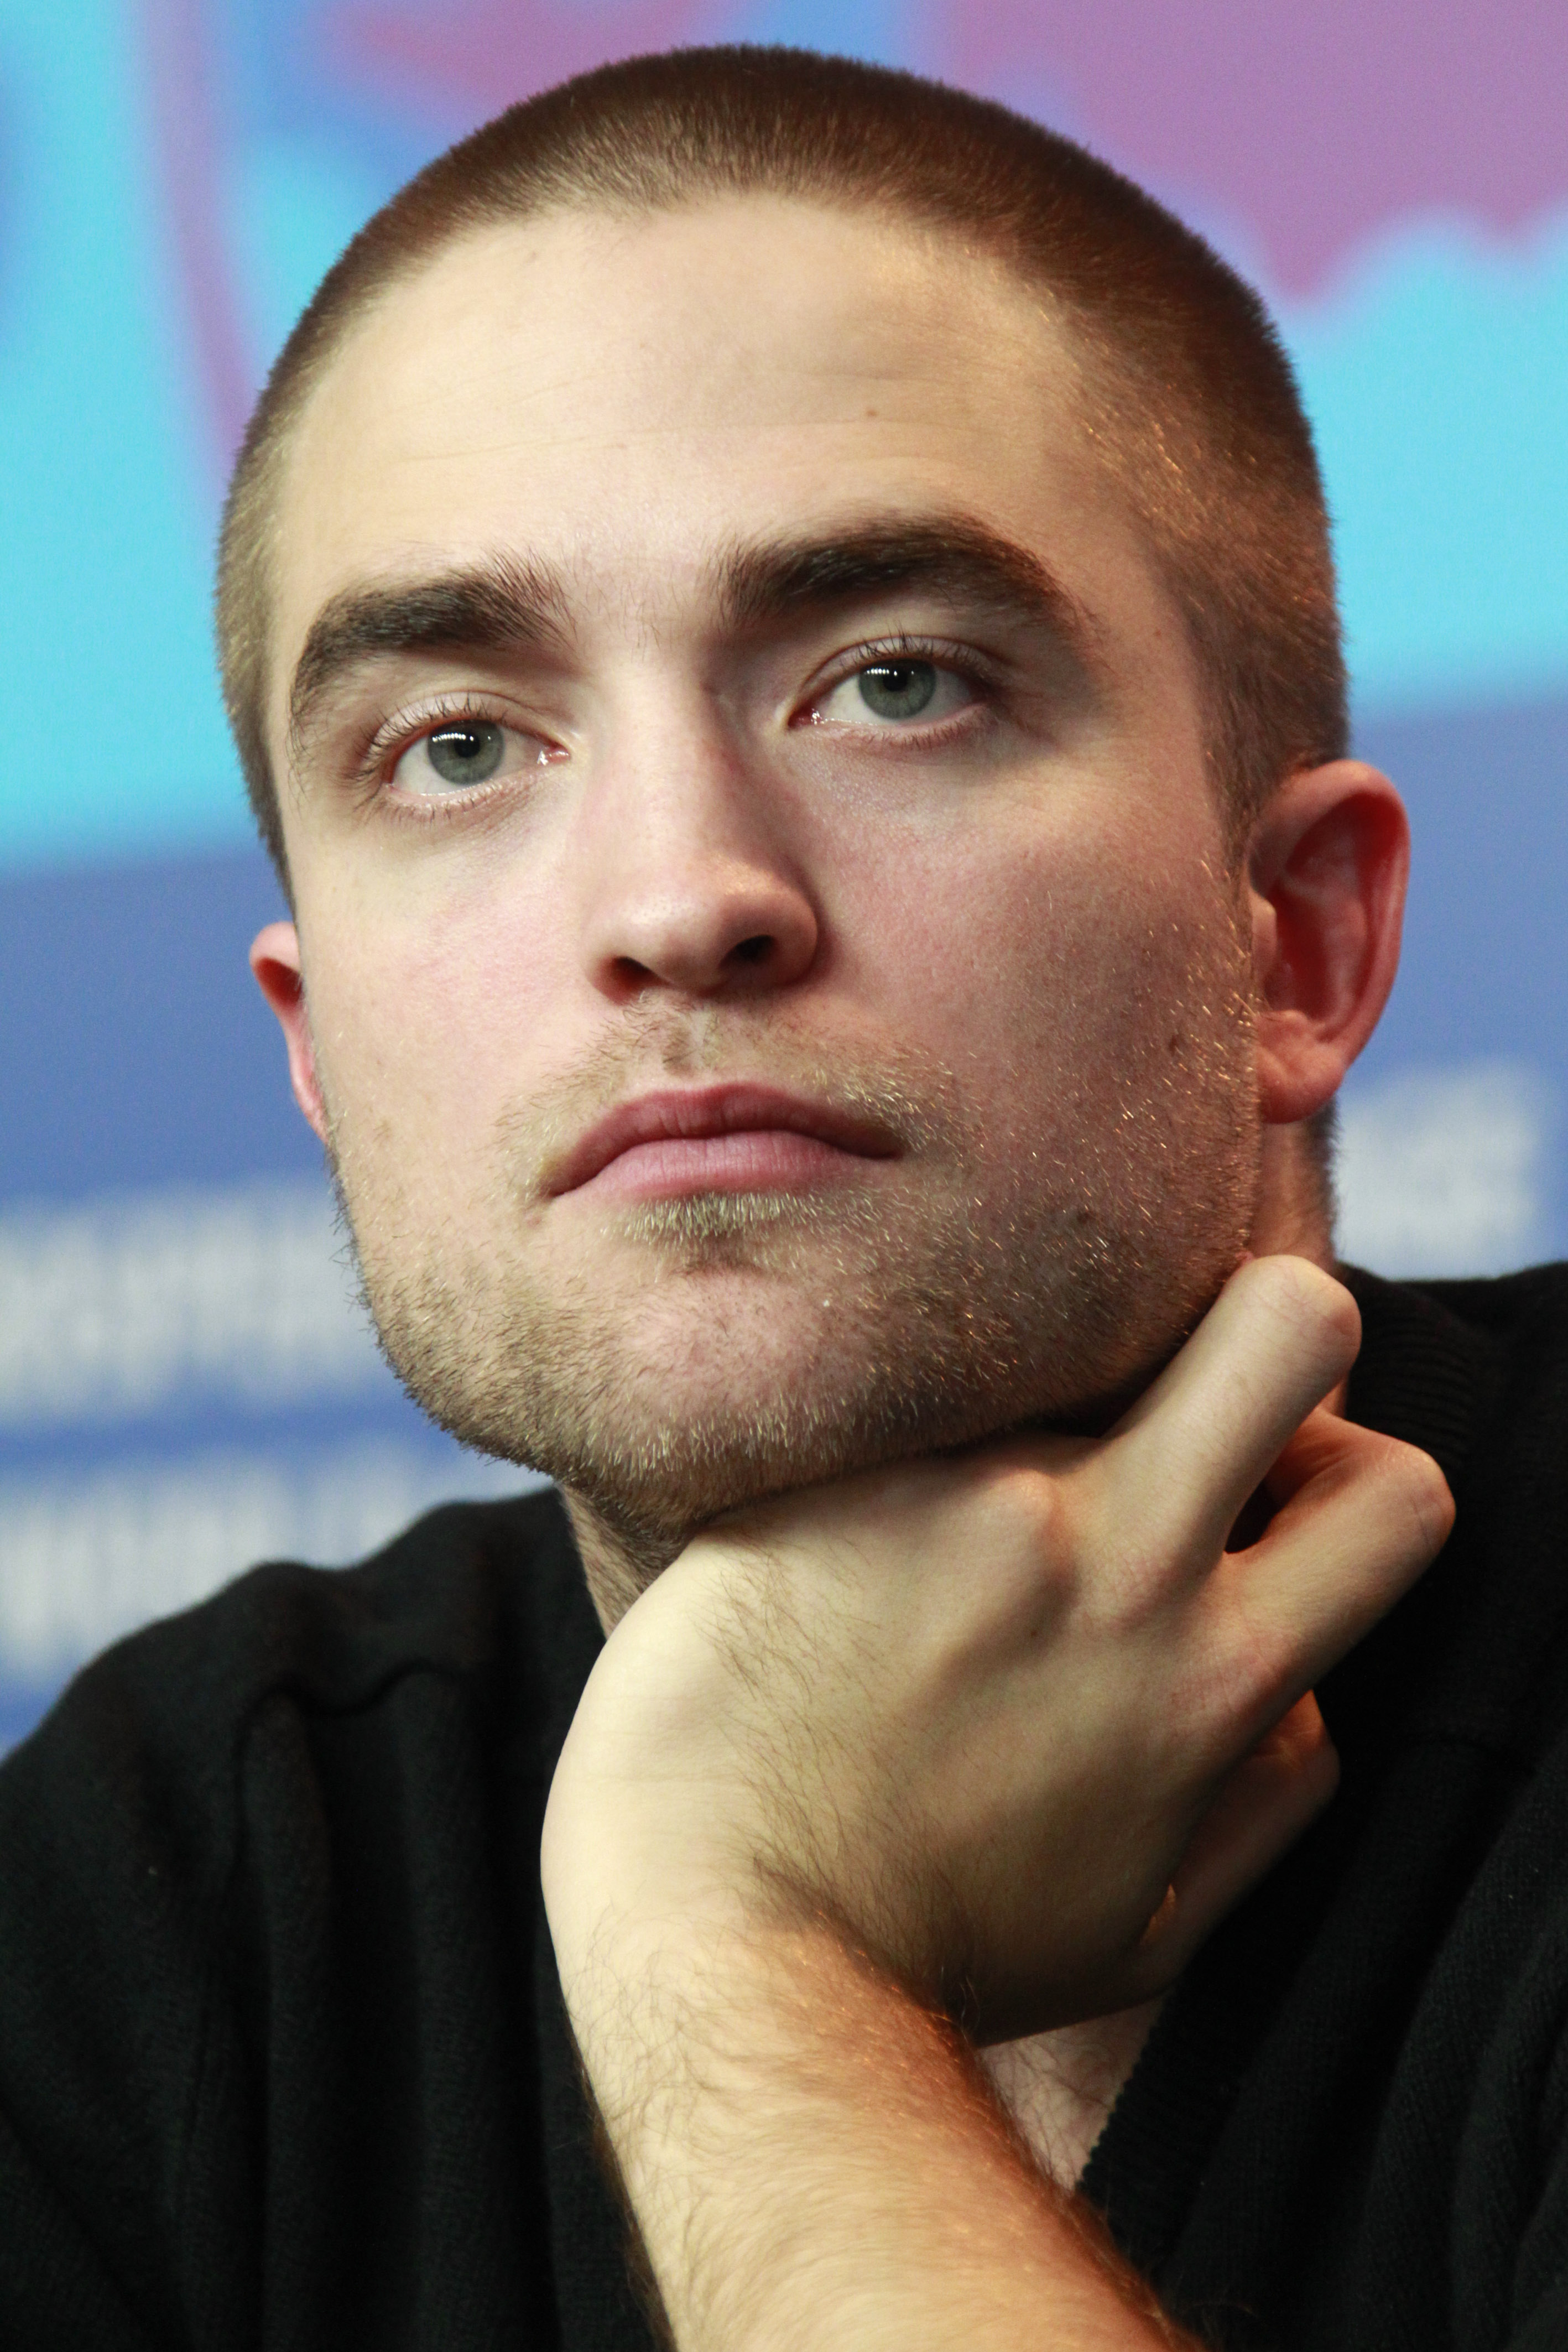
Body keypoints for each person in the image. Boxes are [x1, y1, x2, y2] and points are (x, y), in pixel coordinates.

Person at [2, 44, 1565, 2350]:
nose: (679, 897)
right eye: (459, 744)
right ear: (320, 1051)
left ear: (1296, 943)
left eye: (892, 684)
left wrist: (745, 1937)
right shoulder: (169, 1886)